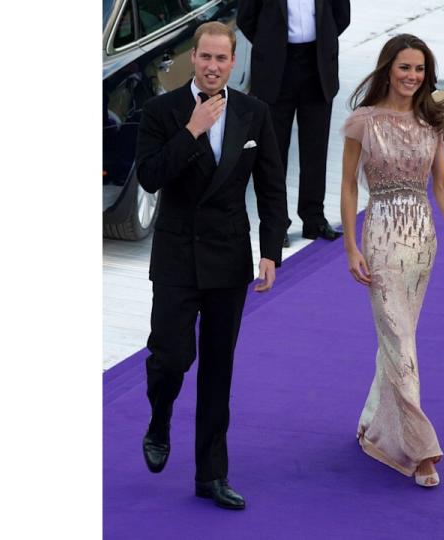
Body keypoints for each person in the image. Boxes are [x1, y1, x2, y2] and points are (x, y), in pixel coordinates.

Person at [134, 21, 289, 510]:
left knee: (218, 370)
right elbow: (151, 177)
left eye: (222, 59)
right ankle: (159, 419)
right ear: (193, 58)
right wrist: (191, 132)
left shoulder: (254, 113)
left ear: (233, 62)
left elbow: (271, 186)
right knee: (170, 357)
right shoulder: (161, 112)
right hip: (177, 257)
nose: (213, 66)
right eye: (205, 57)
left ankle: (211, 475)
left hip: (227, 260)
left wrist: (270, 250)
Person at [340, 34, 444, 488]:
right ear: (388, 68)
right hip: (379, 235)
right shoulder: (363, 121)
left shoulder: (431, 121)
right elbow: (346, 187)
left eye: (419, 70)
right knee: (399, 340)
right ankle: (420, 450)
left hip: (422, 242)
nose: (412, 77)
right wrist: (351, 246)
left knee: (400, 336)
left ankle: (372, 424)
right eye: (404, 68)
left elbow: (442, 184)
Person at [237, 0, 351, 247]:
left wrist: (323, 42)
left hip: (318, 65)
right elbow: (245, 19)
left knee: (315, 149)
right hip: (276, 67)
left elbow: (342, 16)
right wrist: (271, 44)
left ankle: (314, 218)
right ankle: (277, 224)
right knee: (274, 153)